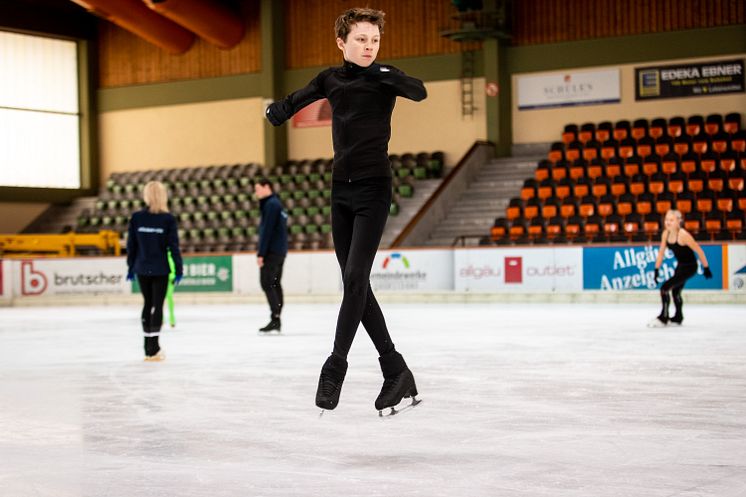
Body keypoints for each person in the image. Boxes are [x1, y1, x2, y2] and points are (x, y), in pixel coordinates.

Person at [265, 7, 427, 414]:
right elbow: (294, 101)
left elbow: (418, 90)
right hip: (340, 192)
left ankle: (335, 366)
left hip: (374, 189)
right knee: (357, 286)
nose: (369, 46)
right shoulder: (330, 79)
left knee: (356, 278)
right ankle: (396, 371)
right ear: (342, 42)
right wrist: (277, 111)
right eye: (360, 40)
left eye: (374, 40)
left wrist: (383, 74)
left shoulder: (384, 78)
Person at [126, 181, 183, 361]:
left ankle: (147, 347)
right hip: (159, 269)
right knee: (157, 305)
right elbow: (174, 247)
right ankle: (154, 347)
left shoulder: (137, 218)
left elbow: (131, 246)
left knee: (147, 304)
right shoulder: (167, 219)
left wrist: (131, 267)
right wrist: (179, 268)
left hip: (142, 268)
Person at [649, 209, 712, 327]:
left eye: (671, 220)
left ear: (679, 221)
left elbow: (699, 250)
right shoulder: (665, 234)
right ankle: (678, 317)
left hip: (690, 267)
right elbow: (661, 253)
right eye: (666, 219)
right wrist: (656, 270)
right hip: (680, 266)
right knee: (675, 291)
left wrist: (706, 267)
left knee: (664, 288)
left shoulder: (683, 235)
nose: (668, 222)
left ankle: (664, 317)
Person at [254, 178, 288, 334]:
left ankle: (276, 317)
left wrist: (261, 253)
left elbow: (266, 231)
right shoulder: (275, 203)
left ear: (267, 187)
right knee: (274, 283)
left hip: (272, 251)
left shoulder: (271, 205)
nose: (256, 193)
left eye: (258, 189)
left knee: (267, 282)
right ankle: (276, 316)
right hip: (279, 250)